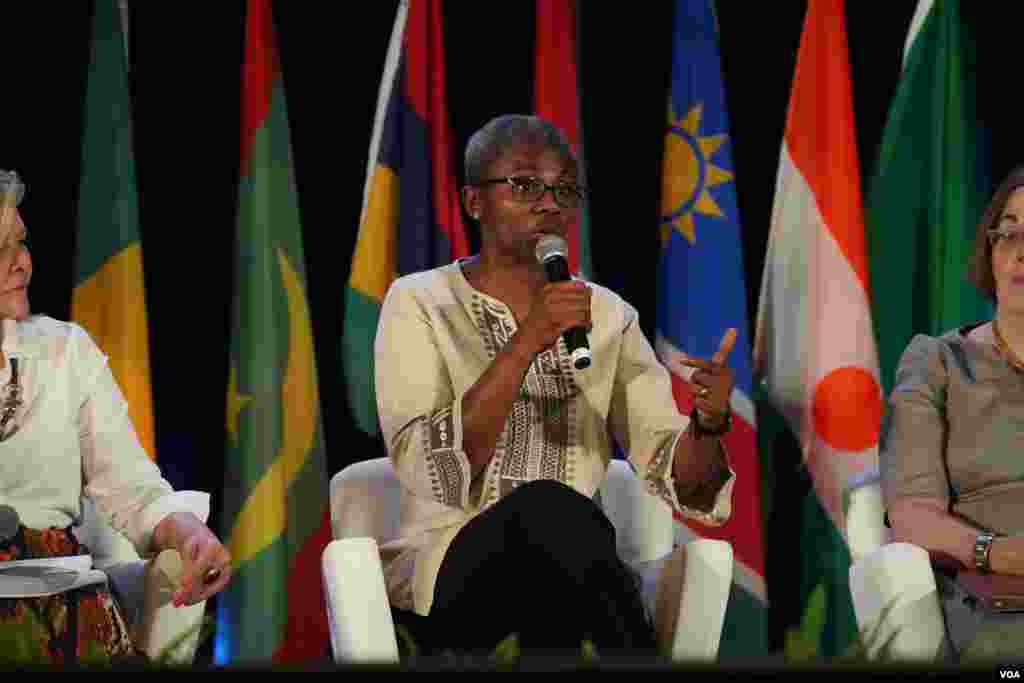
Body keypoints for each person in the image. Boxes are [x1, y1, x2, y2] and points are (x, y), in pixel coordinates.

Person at [373, 115, 737, 657]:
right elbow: (435, 470)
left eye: (564, 189)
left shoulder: (608, 316)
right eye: (524, 185)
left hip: (574, 573)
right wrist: (528, 340)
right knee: (549, 506)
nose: (550, 203)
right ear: (474, 202)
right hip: (451, 575)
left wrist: (708, 424)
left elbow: (679, 478)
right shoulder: (419, 302)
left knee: (560, 541)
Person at [0, 169, 232, 664]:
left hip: (62, 609)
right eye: (1, 249)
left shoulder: (65, 352)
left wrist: (189, 533)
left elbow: (132, 487)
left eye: (20, 243)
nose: (21, 263)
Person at [880, 165, 1024, 661]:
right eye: (1008, 234)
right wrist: (995, 551)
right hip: (993, 597)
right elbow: (911, 516)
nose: (1021, 251)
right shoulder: (938, 361)